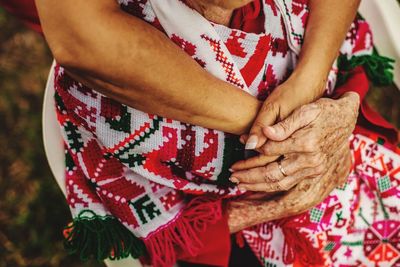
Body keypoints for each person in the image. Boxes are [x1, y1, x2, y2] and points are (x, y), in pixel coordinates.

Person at [35, 0, 399, 266]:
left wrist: (318, 84)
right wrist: (278, 147)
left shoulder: (290, 16)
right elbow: (82, 40)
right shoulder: (119, 101)